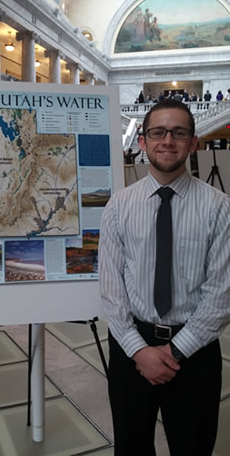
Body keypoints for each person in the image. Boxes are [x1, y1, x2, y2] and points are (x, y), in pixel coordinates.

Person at [99, 99, 230, 456]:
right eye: (158, 132)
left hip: (195, 351)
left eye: (178, 132)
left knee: (193, 447)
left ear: (193, 142)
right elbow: (112, 289)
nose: (167, 140)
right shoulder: (119, 207)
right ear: (142, 141)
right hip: (131, 349)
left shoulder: (219, 208)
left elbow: (221, 296)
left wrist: (173, 352)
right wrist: (139, 351)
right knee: (131, 446)